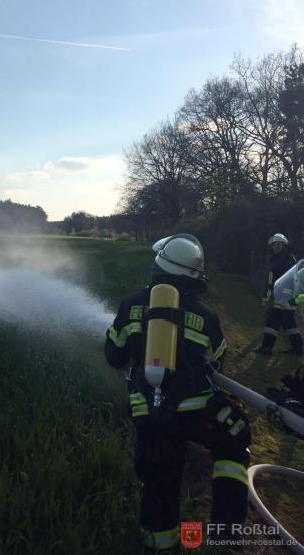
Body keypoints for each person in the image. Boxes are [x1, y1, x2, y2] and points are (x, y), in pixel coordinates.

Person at [104, 234, 251, 554]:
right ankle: (227, 537)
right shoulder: (206, 315)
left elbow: (114, 357)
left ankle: (160, 546)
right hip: (198, 413)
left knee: (159, 482)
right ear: (194, 275)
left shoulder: (130, 305)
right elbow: (216, 362)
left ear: (158, 267)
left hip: (149, 414)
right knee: (235, 442)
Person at [253, 233, 303, 357]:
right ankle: (298, 349)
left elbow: (276, 282)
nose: (276, 247)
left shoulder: (284, 259)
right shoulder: (285, 258)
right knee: (290, 324)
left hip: (280, 298)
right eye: (274, 245)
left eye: (279, 245)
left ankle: (266, 348)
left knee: (271, 323)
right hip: (288, 299)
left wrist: (269, 300)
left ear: (284, 246)